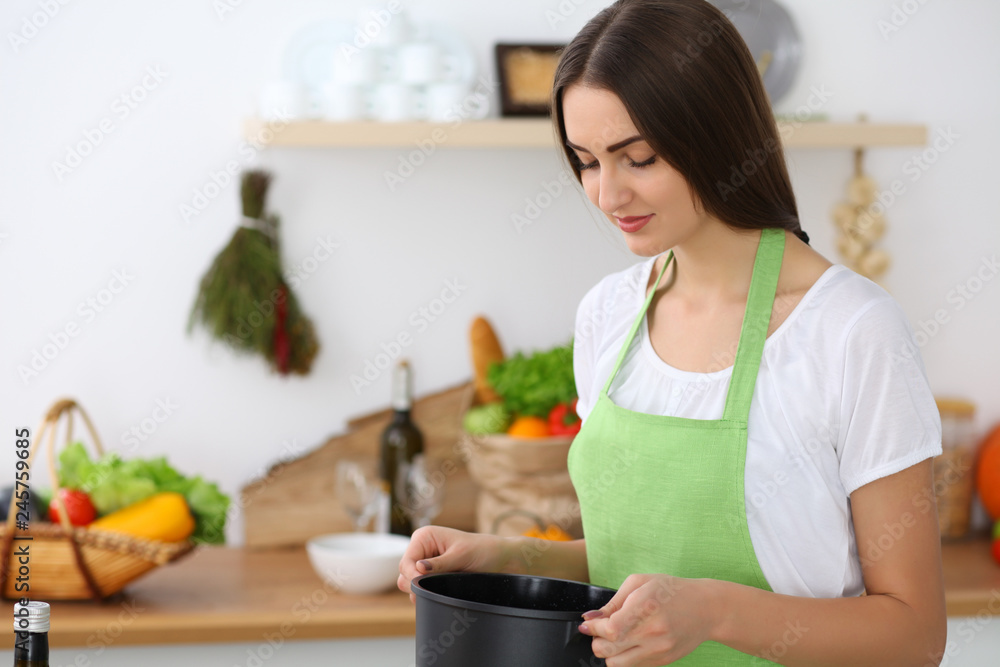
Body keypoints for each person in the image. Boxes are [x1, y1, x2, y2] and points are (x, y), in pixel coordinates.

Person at [398, 1, 947, 664]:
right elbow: (636, 563)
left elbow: (914, 633)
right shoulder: (609, 314)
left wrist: (714, 611)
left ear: (716, 133)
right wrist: (504, 555)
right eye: (587, 160)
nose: (607, 195)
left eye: (639, 158)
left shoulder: (850, 331)